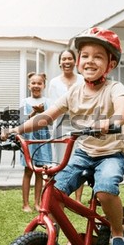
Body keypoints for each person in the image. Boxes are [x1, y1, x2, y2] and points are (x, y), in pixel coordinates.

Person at [2, 27, 124, 245]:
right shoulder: (74, 92)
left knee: (104, 189)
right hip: (83, 152)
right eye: (85, 55)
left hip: (110, 153)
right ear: (79, 60)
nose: (90, 60)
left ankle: (116, 232)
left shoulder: (115, 88)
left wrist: (111, 122)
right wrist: (16, 130)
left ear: (111, 64)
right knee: (54, 192)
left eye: (98, 56)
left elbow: (123, 110)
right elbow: (47, 117)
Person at [48, 49, 84, 202]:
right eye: (63, 59)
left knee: (79, 160)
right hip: (61, 125)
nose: (66, 62)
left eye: (69, 59)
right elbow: (52, 106)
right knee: (61, 162)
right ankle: (61, 196)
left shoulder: (82, 79)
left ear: (75, 62)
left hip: (80, 125)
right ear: (59, 62)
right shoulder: (54, 82)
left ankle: (77, 199)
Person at [19, 72, 53, 212]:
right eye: (33, 83)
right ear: (29, 85)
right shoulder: (24, 102)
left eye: (39, 83)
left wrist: (43, 112)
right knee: (28, 171)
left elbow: (50, 121)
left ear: (44, 85)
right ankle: (25, 204)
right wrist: (34, 113)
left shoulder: (48, 102)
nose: (36, 85)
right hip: (29, 139)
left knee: (40, 172)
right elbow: (22, 121)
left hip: (42, 139)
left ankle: (37, 203)